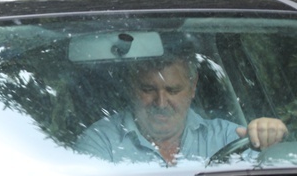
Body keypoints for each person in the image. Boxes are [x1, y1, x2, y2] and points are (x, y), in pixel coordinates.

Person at [74, 54, 288, 165]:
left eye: (173, 90)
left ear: (193, 87)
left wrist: (271, 138)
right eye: (148, 89)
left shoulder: (227, 137)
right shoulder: (101, 142)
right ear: (131, 87)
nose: (161, 102)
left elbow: (274, 172)